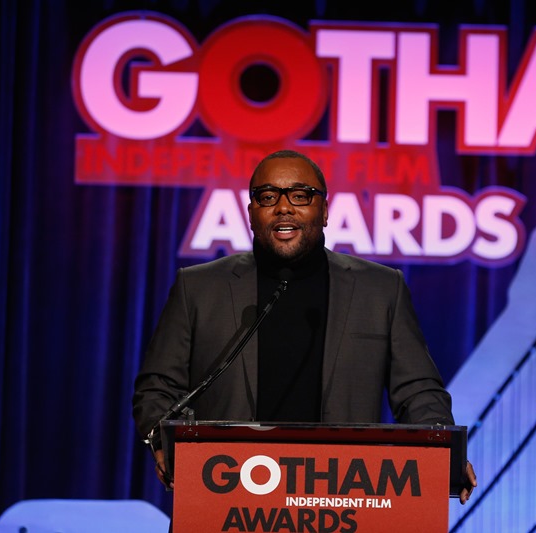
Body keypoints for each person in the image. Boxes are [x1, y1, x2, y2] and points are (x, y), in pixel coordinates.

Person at [132, 149, 476, 503]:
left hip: (339, 498)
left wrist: (444, 452)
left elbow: (418, 391)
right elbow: (158, 388)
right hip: (227, 494)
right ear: (251, 213)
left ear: (324, 211)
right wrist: (166, 444)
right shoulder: (198, 287)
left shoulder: (381, 289)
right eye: (268, 197)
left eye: (300, 195)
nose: (284, 207)